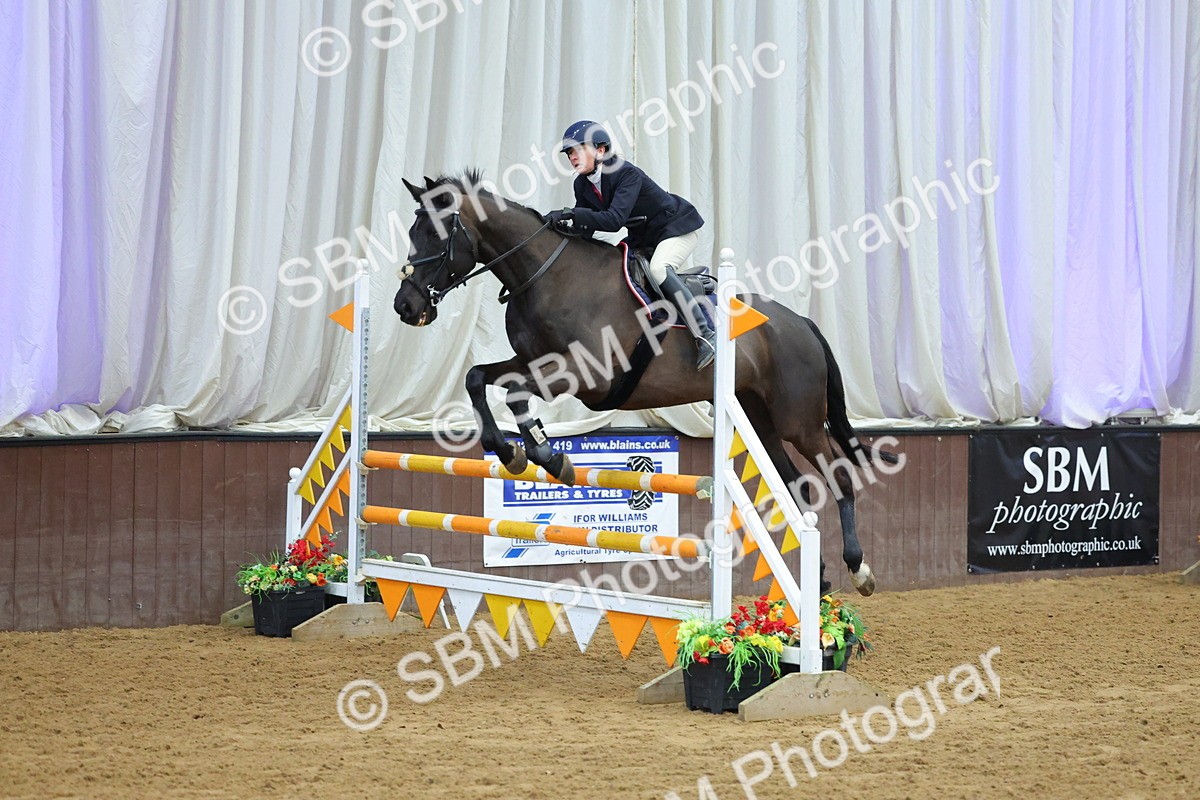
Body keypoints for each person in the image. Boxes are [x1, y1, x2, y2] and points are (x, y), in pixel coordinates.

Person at [547, 120, 716, 370]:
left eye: (578, 149)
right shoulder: (581, 184)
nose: (572, 157)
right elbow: (586, 230)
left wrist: (571, 213)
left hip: (675, 228)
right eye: (569, 153)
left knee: (659, 269)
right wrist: (555, 230)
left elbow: (614, 221)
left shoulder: (625, 173)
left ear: (600, 150)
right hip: (644, 238)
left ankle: (705, 335)